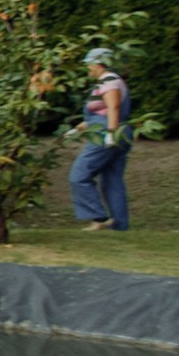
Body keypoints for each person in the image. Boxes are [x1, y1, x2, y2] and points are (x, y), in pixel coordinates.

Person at [71, 46, 133, 232]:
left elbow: (113, 109)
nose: (87, 68)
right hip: (117, 132)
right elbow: (99, 113)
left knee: (79, 175)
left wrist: (110, 134)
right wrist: (76, 130)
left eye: (89, 64)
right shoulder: (110, 81)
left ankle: (98, 218)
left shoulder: (109, 81)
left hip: (108, 134)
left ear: (98, 64)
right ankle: (119, 225)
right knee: (112, 180)